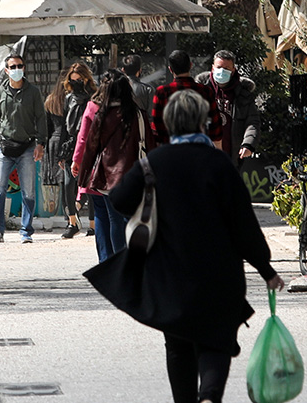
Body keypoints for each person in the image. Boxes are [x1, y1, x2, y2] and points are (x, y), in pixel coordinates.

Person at [102, 89, 284, 403]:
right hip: (219, 273)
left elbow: (119, 200)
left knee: (178, 345)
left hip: (170, 274)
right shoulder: (220, 165)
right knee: (216, 341)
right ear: (203, 121)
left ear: (169, 123)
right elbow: (244, 225)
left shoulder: (153, 164)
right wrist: (266, 269)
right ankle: (210, 397)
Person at [71, 69, 155, 262]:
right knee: (125, 219)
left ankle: (108, 262)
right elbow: (149, 144)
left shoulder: (98, 111)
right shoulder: (137, 113)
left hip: (104, 176)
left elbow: (87, 144)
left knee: (105, 216)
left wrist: (82, 178)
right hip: (132, 175)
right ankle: (124, 262)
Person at [0, 53, 47, 244]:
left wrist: (40, 144)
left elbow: (41, 118)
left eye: (20, 66)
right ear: (6, 70)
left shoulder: (33, 92)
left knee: (28, 191)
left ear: (24, 68)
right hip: (4, 147)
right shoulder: (0, 93)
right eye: (13, 67)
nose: (16, 69)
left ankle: (26, 231)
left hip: (27, 147)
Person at [195, 50, 260, 166]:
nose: (222, 71)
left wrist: (248, 144)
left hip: (231, 157)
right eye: (219, 67)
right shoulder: (199, 91)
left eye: (226, 68)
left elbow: (252, 122)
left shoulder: (243, 95)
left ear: (233, 70)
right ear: (212, 68)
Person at [151, 50, 222, 149]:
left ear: (170, 69)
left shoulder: (162, 92)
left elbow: (157, 128)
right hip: (200, 151)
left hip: (171, 151)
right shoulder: (205, 91)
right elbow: (215, 128)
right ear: (190, 65)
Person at [59, 63, 98, 239]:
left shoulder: (93, 97)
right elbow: (63, 125)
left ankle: (92, 224)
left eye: (79, 80)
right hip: (71, 143)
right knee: (68, 185)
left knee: (89, 185)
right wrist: (61, 150)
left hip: (89, 143)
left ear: (86, 79)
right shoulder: (68, 98)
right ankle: (72, 222)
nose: (76, 84)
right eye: (73, 80)